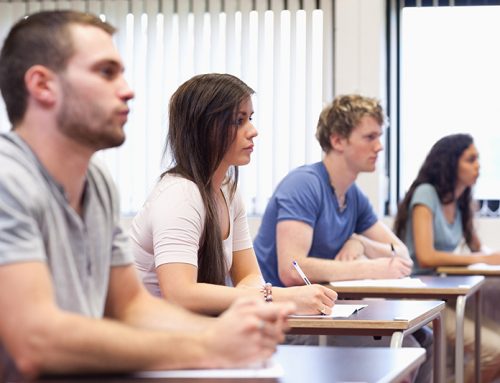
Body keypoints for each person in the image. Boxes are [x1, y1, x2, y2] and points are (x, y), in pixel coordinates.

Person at [0, 11, 294, 381]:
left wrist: (232, 333)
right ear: (43, 85)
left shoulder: (96, 181)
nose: (127, 89)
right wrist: (206, 346)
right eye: (106, 72)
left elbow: (133, 306)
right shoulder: (7, 180)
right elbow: (35, 341)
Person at [253, 94, 431, 383]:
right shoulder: (304, 184)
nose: (379, 146)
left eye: (379, 136)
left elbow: (401, 254)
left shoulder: (352, 195)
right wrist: (369, 267)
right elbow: (291, 269)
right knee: (406, 351)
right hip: (289, 322)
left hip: (323, 312)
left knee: (425, 339)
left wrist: (359, 241)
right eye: (370, 137)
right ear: (338, 141)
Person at [130, 73, 337, 316]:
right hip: (150, 340)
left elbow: (249, 275)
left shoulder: (227, 190)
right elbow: (180, 294)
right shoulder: (180, 195)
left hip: (187, 334)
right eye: (239, 121)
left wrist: (260, 296)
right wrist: (277, 297)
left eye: (250, 118)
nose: (253, 131)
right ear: (204, 129)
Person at [394, 133, 500, 382]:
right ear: (451, 163)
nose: (478, 166)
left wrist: (489, 256)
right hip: (417, 297)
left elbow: (478, 249)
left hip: (443, 294)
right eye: (470, 159)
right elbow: (426, 256)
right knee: (493, 353)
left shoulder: (461, 201)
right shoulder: (426, 194)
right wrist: (484, 259)